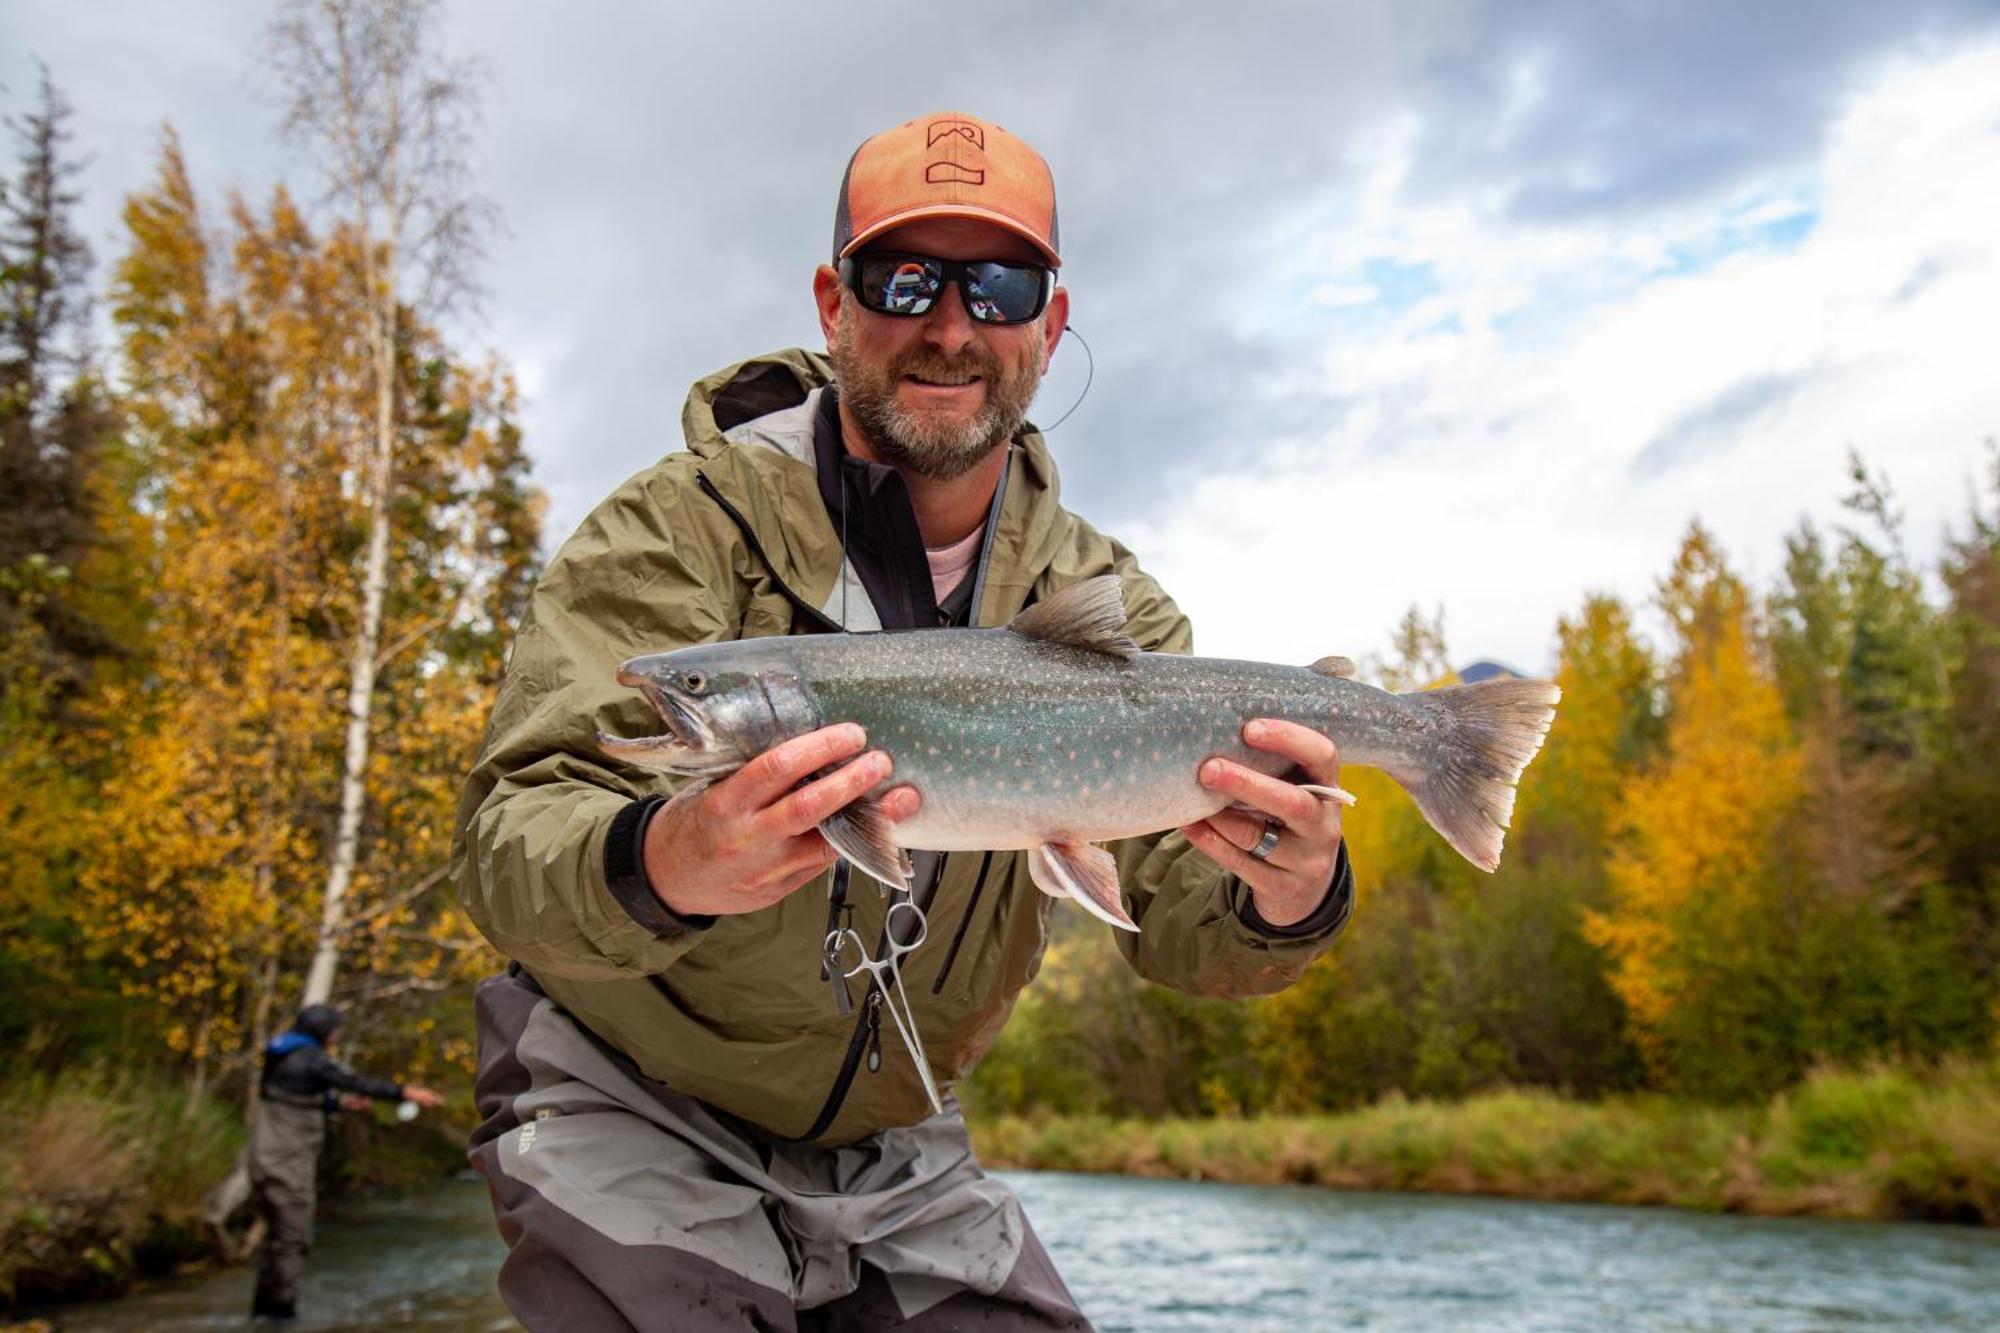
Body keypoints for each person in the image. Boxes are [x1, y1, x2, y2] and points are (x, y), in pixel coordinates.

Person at [453, 109, 1356, 1331]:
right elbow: (509, 845)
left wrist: (1287, 894)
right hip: (628, 1093)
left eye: (996, 285)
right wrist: (665, 860)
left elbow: (1179, 925)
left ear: (1050, 319)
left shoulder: (1110, 605)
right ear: (834, 301)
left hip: (896, 1130)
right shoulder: (676, 531)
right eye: (904, 278)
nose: (950, 325)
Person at [248, 1002, 446, 1320]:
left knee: (277, 1240)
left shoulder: (284, 1057)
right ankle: (279, 1315)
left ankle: (262, 1313)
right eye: (334, 1032)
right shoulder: (310, 1059)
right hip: (286, 1167)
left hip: (264, 1161)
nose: (336, 1037)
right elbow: (356, 1081)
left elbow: (297, 1097)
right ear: (324, 1033)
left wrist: (340, 1105)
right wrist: (406, 1092)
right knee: (292, 1238)